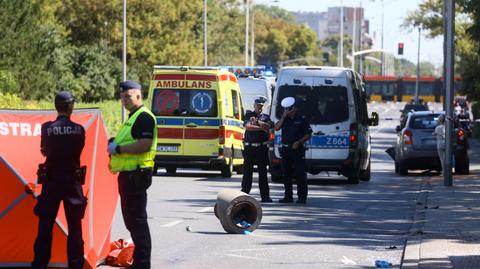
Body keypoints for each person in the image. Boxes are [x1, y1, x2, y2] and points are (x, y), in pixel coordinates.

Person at [32, 91, 86, 269]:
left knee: (45, 225)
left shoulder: (46, 128)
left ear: (56, 106)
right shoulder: (80, 130)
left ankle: (40, 264)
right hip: (72, 181)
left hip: (52, 181)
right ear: (71, 107)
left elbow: (44, 151)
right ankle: (76, 265)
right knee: (75, 227)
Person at [108, 80, 157, 269]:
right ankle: (140, 261)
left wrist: (118, 148)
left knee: (137, 222)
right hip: (129, 176)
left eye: (127, 96)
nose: (124, 100)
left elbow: (144, 144)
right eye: (121, 97)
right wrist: (115, 142)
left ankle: (142, 264)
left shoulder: (143, 117)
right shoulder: (133, 117)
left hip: (136, 175)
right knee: (132, 222)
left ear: (138, 95)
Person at [274, 97, 312, 204]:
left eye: (288, 109)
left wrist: (299, 142)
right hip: (285, 149)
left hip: (297, 149)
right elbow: (276, 128)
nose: (286, 110)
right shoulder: (284, 119)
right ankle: (288, 196)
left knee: (300, 173)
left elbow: (308, 134)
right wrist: (283, 117)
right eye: (285, 109)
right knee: (286, 174)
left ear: (294, 108)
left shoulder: (301, 119)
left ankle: (302, 197)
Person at [241, 96, 273, 203]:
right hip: (250, 147)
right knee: (247, 172)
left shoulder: (266, 117)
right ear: (254, 105)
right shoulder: (249, 115)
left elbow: (269, 126)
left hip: (261, 148)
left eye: (261, 106)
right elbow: (248, 126)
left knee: (263, 173)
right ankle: (244, 194)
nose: (259, 108)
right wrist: (261, 128)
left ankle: (265, 196)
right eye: (257, 105)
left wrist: (258, 123)